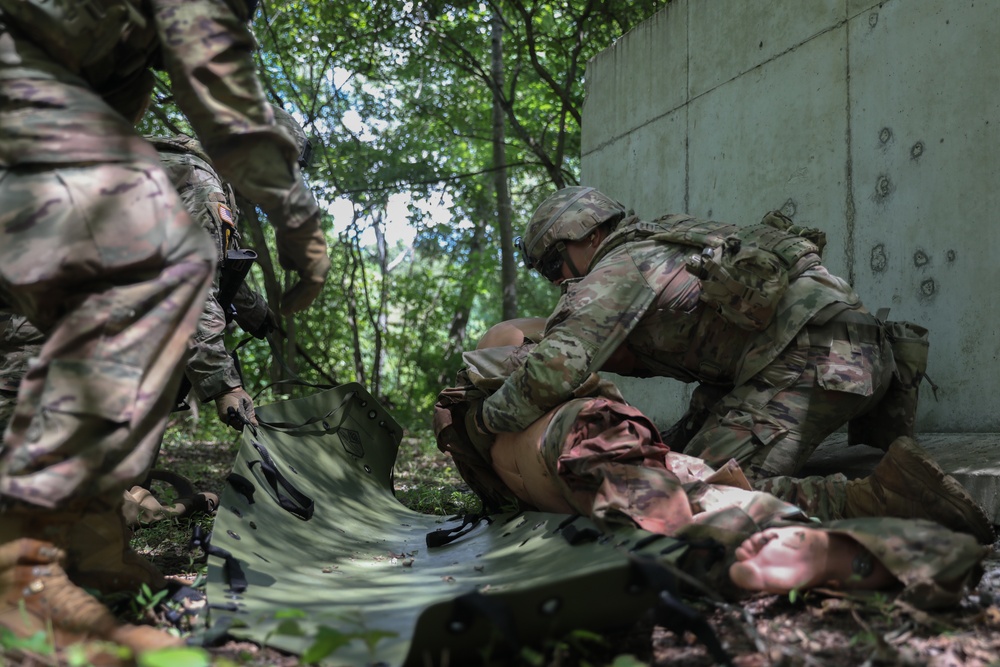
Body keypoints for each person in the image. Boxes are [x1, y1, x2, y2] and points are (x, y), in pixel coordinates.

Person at [0, 0, 331, 660]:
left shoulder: (167, 153)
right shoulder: (201, 176)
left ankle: (86, 553)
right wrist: (223, 383)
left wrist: (258, 312)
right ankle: (23, 572)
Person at [435, 324, 990, 611]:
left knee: (691, 498)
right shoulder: (497, 403)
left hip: (576, 451)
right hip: (586, 440)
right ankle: (852, 519)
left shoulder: (479, 408)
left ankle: (862, 519)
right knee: (694, 494)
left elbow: (534, 361)